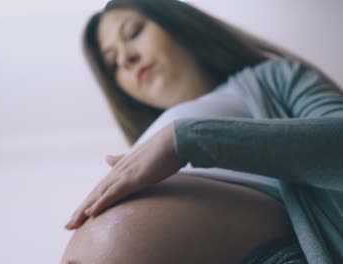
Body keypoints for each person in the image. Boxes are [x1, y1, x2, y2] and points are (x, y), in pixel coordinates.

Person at [62, 0, 343, 263]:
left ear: (176, 23)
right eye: (113, 64)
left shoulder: (273, 77)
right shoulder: (148, 138)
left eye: (133, 32)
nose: (125, 59)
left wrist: (186, 139)